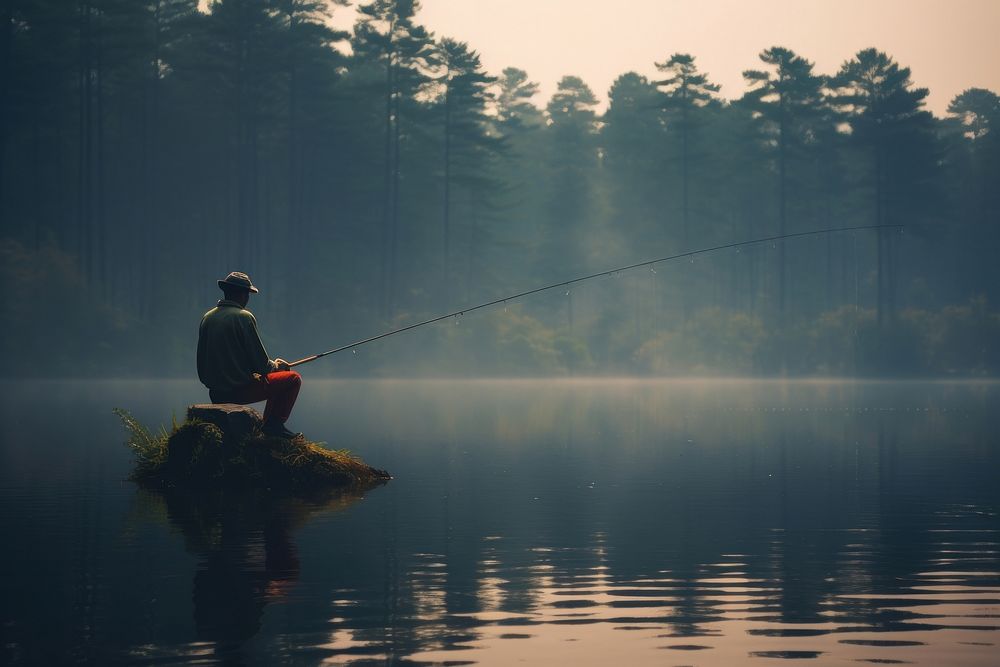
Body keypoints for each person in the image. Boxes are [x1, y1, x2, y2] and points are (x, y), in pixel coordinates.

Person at [197, 271, 302, 439]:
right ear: (242, 294)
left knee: (278, 379)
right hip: (238, 392)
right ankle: (273, 426)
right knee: (292, 379)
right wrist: (277, 366)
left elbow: (204, 361)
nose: (247, 298)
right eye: (247, 294)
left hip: (215, 393)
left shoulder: (207, 318)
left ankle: (270, 426)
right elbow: (262, 365)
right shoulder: (243, 317)